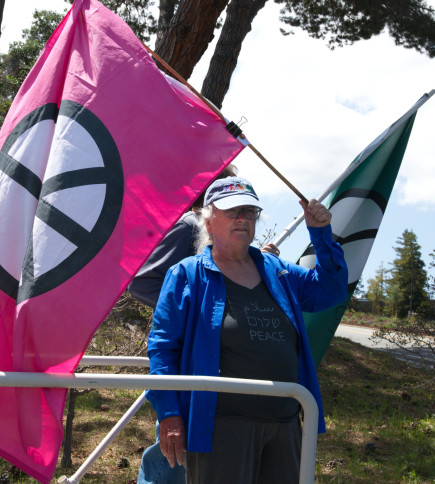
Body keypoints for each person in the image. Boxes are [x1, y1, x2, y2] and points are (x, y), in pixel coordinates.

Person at [146, 176, 348, 484]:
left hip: (285, 421)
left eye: (250, 211)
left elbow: (330, 291)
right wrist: (169, 414)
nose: (243, 218)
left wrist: (320, 233)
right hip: (222, 428)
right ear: (208, 221)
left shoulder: (279, 271)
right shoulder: (187, 274)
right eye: (232, 210)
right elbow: (163, 348)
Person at [130, 167, 278, 484]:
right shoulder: (189, 224)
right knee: (171, 456)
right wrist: (192, 311)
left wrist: (254, 263)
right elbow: (143, 282)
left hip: (222, 373)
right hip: (187, 360)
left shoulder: (233, 243)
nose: (239, 212)